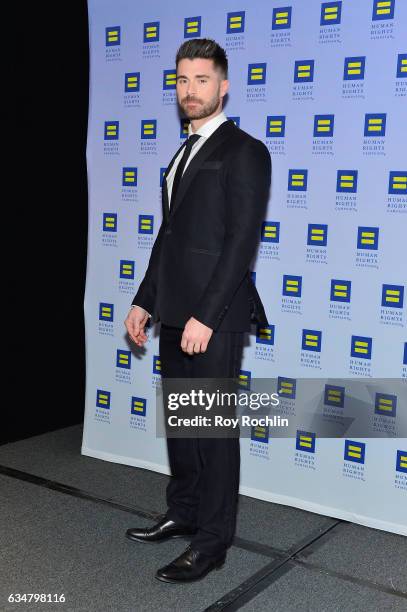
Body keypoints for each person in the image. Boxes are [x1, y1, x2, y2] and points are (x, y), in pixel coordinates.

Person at [124, 38, 271, 583]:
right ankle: (183, 512)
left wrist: (205, 317)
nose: (190, 91)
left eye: (201, 80)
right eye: (183, 81)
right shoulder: (182, 152)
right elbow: (170, 236)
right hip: (174, 312)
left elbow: (241, 242)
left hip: (215, 315)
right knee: (184, 427)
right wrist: (145, 301)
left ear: (224, 85)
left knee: (212, 430)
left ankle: (212, 541)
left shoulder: (244, 151)